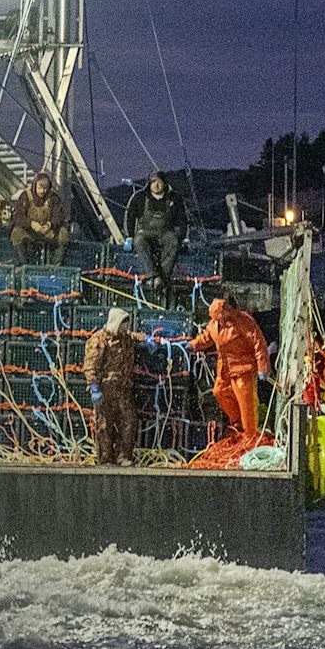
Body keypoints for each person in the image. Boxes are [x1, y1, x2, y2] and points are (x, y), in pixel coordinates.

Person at [189, 294, 270, 441]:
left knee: (246, 404)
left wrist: (262, 367)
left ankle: (250, 438)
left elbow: (259, 343)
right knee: (219, 392)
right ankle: (238, 424)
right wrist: (192, 345)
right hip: (225, 369)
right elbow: (207, 337)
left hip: (243, 369)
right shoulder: (214, 324)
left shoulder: (243, 322)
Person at [82, 306, 139, 466]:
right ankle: (106, 459)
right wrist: (94, 387)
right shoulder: (98, 340)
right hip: (105, 390)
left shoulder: (126, 339)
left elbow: (136, 338)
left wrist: (151, 341)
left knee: (128, 421)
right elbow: (91, 365)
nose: (126, 328)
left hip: (123, 389)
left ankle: (124, 456)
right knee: (104, 425)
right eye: (123, 324)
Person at [122, 170, 189, 303]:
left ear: (164, 183)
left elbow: (182, 220)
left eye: (159, 182)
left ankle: (162, 278)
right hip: (146, 232)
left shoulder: (175, 198)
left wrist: (183, 237)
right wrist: (129, 236)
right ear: (149, 184)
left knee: (173, 242)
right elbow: (129, 217)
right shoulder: (139, 197)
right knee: (139, 240)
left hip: (165, 232)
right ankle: (152, 277)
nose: (156, 185)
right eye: (153, 182)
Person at [9, 170, 71, 263]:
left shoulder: (53, 198)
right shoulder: (25, 196)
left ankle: (56, 264)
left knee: (63, 233)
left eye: (45, 188)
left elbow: (59, 215)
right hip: (30, 231)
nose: (43, 191)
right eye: (40, 188)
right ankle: (24, 263)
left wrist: (50, 225)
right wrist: (31, 224)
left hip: (48, 231)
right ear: (35, 185)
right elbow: (18, 216)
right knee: (16, 233)